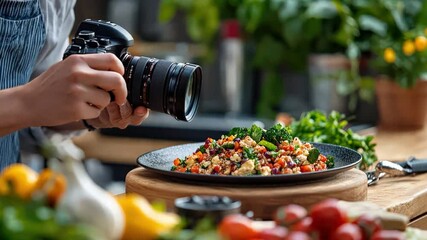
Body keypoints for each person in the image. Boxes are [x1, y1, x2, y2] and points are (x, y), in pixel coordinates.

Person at [0, 0, 149, 170]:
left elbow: (34, 117)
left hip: (14, 186)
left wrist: (88, 112)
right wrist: (26, 104)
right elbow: (31, 103)